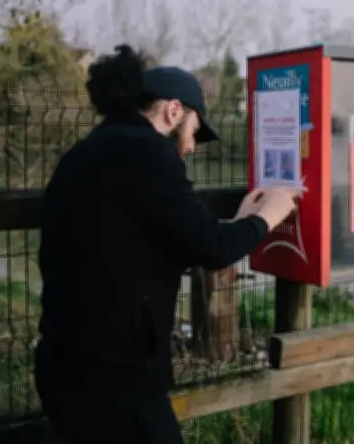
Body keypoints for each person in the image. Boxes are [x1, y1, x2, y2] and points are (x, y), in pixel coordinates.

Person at [34, 45, 299, 444]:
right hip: (114, 381)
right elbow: (213, 249)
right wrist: (268, 215)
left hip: (63, 364)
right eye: (194, 131)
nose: (191, 146)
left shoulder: (88, 151)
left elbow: (153, 236)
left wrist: (239, 223)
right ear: (173, 112)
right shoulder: (147, 154)